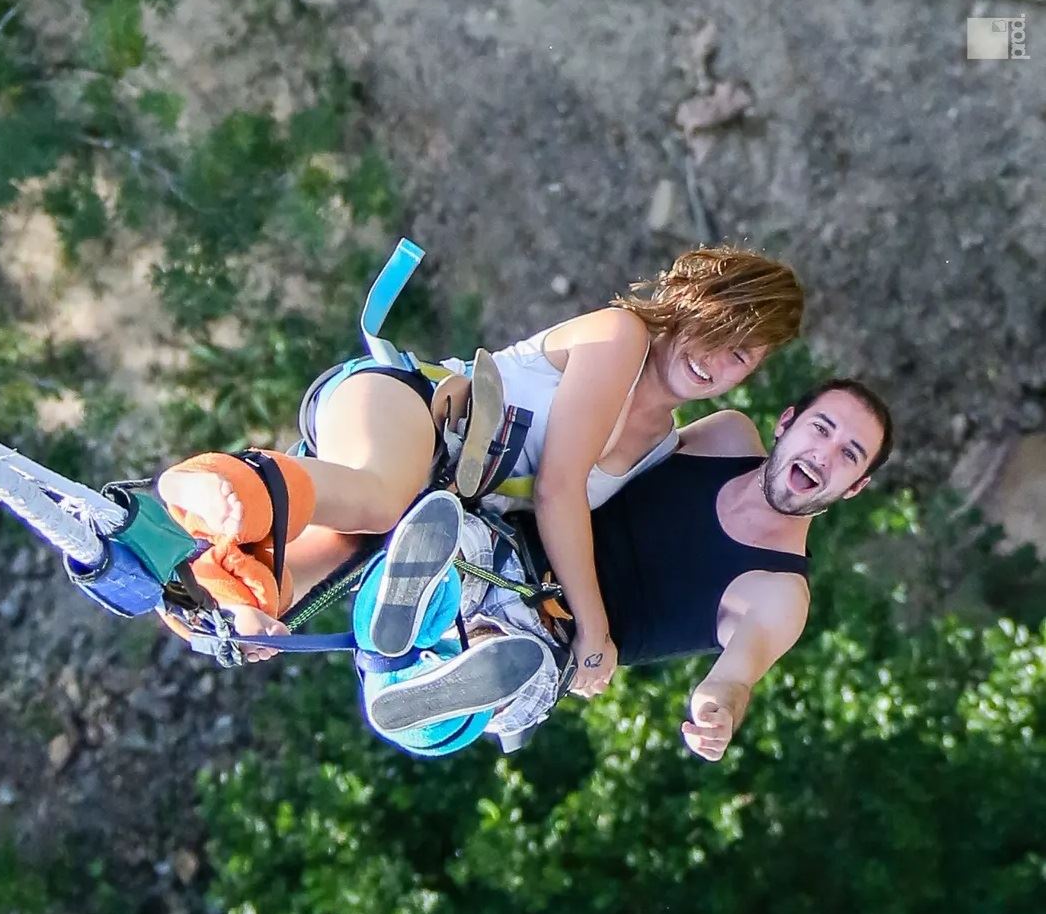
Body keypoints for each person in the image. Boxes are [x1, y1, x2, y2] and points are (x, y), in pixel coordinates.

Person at [155, 244, 804, 664]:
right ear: (685, 303)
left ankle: (215, 587)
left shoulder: (662, 445)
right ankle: (219, 485)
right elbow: (557, 490)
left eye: (740, 356)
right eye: (715, 331)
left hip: (425, 501)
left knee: (300, 582)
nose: (715, 360)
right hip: (407, 408)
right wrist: (595, 630)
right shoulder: (623, 338)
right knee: (380, 495)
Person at [358, 378, 894, 759]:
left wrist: (718, 712)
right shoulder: (726, 436)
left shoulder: (780, 594)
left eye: (849, 455)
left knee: (506, 664)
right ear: (786, 423)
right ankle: (402, 618)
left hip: (555, 641)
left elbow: (734, 676)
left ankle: (422, 683)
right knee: (447, 538)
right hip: (513, 549)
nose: (824, 455)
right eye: (821, 430)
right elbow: (624, 454)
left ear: (855, 487)